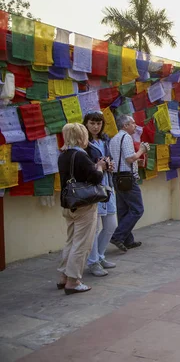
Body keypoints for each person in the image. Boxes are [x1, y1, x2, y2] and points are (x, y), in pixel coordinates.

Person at [57, 123, 105, 294]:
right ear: (80, 137)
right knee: (82, 244)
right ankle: (73, 281)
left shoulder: (63, 155)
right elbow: (96, 178)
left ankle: (63, 277)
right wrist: (100, 166)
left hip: (68, 204)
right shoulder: (81, 156)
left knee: (70, 241)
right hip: (84, 205)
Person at [83, 112, 117, 277]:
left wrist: (109, 166)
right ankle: (93, 261)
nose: (95, 127)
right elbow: (84, 166)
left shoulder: (105, 140)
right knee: (94, 228)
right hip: (94, 188)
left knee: (111, 225)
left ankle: (101, 255)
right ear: (86, 124)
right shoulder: (84, 143)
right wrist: (98, 166)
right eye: (92, 123)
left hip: (108, 186)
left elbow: (109, 159)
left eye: (98, 123)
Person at [109, 115, 148, 252]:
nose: (135, 125)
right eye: (132, 123)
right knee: (137, 209)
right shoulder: (126, 138)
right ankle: (118, 236)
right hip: (126, 178)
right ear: (125, 125)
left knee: (124, 210)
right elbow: (130, 158)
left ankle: (128, 240)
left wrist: (137, 161)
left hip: (117, 176)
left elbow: (122, 159)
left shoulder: (114, 138)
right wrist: (141, 151)